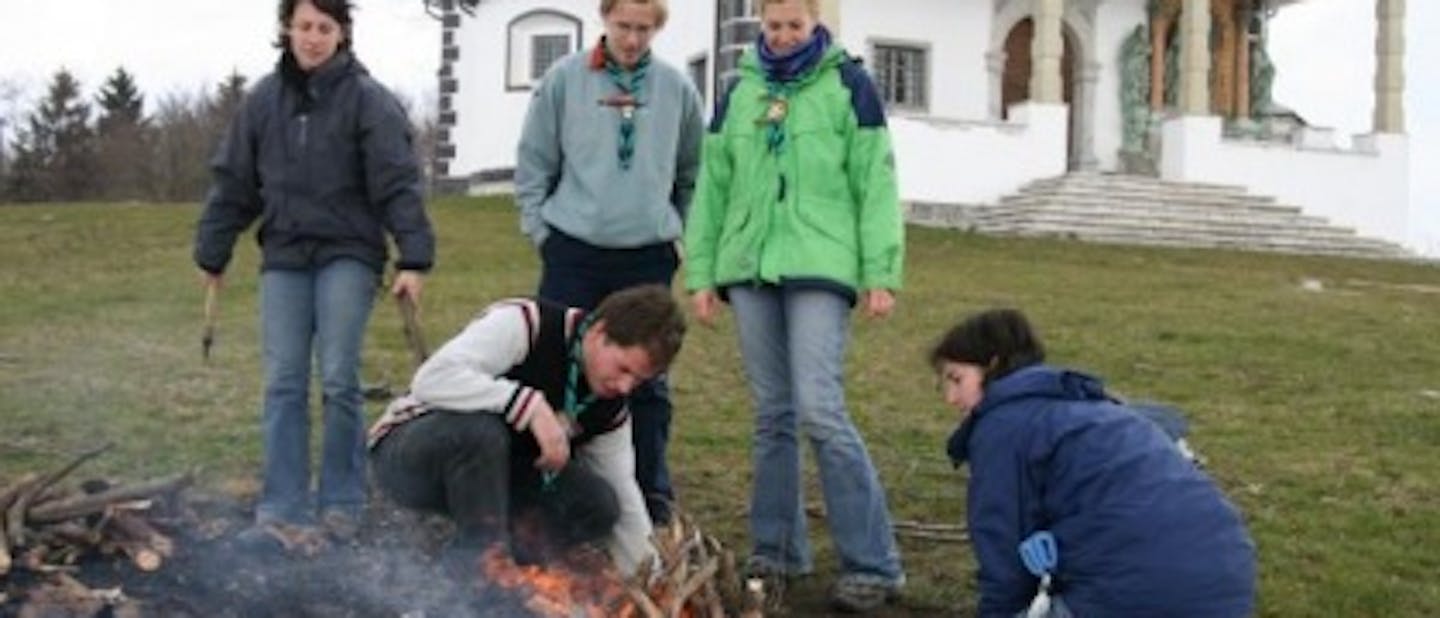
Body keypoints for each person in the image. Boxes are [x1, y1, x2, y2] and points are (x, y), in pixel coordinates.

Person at [681, 0, 906, 611]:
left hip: (821, 264)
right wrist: (702, 272)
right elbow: (714, 186)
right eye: (773, 26)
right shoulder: (738, 91)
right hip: (749, 266)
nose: (782, 37)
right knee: (771, 415)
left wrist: (881, 270)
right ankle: (776, 551)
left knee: (821, 408)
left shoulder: (849, 84)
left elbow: (876, 180)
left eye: (794, 26)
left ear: (816, 22)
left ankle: (873, 564)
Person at [193, 0, 434, 541]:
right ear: (287, 30)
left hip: (349, 252)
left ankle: (342, 502)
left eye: (325, 28)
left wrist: (413, 258)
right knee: (282, 381)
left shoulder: (370, 102)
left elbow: (397, 183)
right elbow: (234, 181)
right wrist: (214, 251)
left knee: (338, 378)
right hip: (284, 254)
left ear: (342, 34)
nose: (313, 37)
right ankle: (282, 504)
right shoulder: (261, 102)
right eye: (304, 26)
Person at [930, 309, 1257, 617]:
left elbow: (1003, 556)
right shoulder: (1095, 407)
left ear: (993, 366)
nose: (950, 398)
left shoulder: (1003, 427)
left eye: (956, 379)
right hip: (1228, 581)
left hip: (1136, 593)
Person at [515, 0, 704, 527]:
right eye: (623, 26)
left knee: (643, 380)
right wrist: (542, 232)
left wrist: (675, 232)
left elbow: (693, 172)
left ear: (657, 28)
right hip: (573, 249)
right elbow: (533, 163)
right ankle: (553, 492)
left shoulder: (677, 90)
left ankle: (649, 496)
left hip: (645, 255)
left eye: (644, 29)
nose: (631, 39)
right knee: (561, 369)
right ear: (605, 18)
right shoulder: (564, 81)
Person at [367, 285, 686, 577]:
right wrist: (527, 405)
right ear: (599, 332)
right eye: (623, 368)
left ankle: (496, 576)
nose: (625, 386)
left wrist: (650, 577)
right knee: (479, 432)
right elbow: (431, 379)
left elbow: (626, 496)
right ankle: (480, 572)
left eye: (639, 380)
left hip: (493, 483)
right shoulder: (526, 324)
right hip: (411, 456)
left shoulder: (610, 407)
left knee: (598, 504)